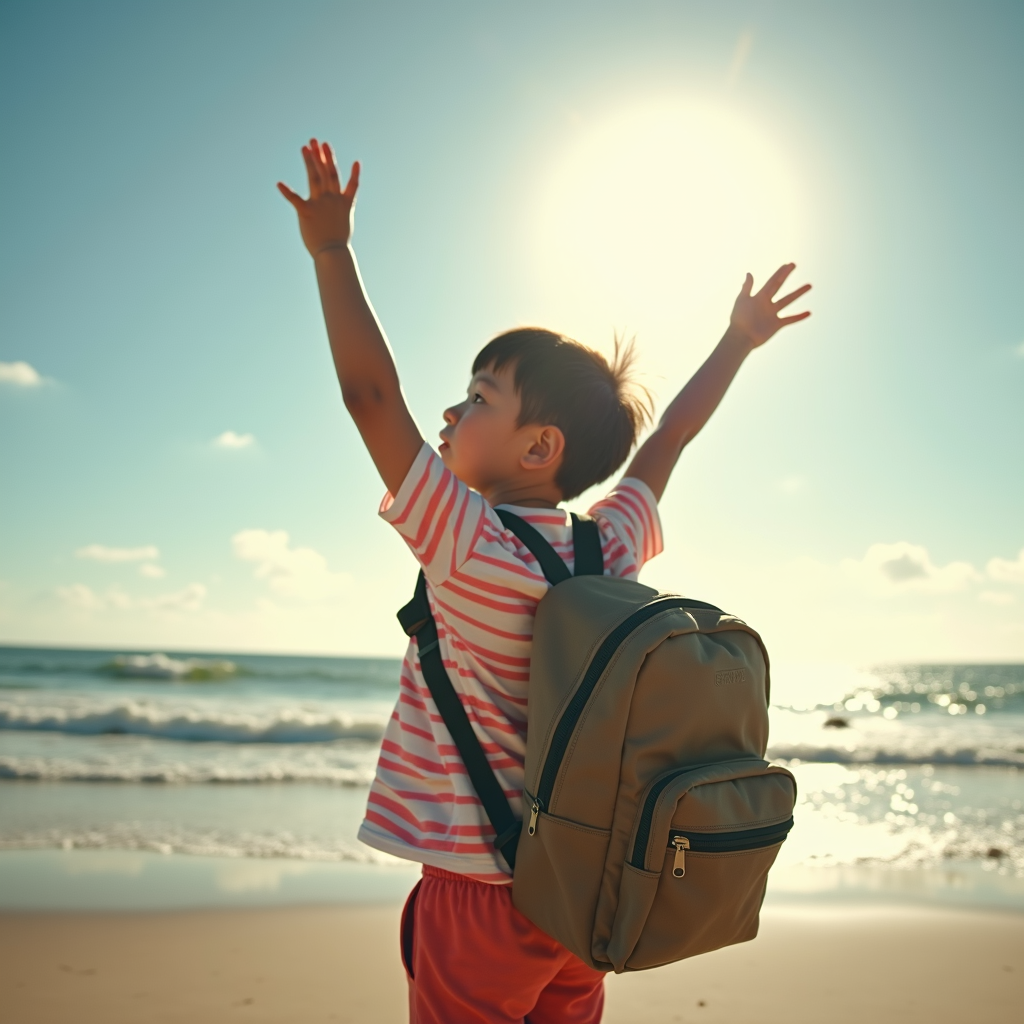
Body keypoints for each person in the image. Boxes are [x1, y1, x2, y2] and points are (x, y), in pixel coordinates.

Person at [279, 138, 811, 1024]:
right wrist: (737, 341)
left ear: (539, 448)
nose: (451, 411)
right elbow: (668, 440)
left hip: (479, 892)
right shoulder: (614, 546)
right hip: (576, 893)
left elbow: (371, 398)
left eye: (479, 396)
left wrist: (332, 252)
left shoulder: (468, 543)